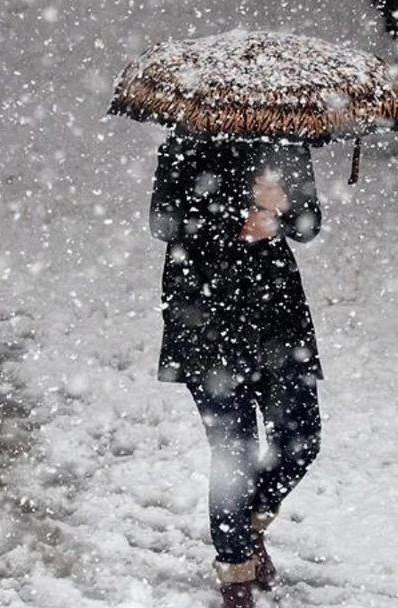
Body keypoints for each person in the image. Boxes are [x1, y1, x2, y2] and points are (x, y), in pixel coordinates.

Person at [149, 127, 323, 608]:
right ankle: (235, 575)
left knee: (300, 440)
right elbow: (164, 223)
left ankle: (249, 525)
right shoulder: (186, 139)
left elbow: (310, 224)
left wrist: (282, 211)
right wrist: (238, 212)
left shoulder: (286, 138)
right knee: (235, 454)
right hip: (205, 317)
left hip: (277, 318)